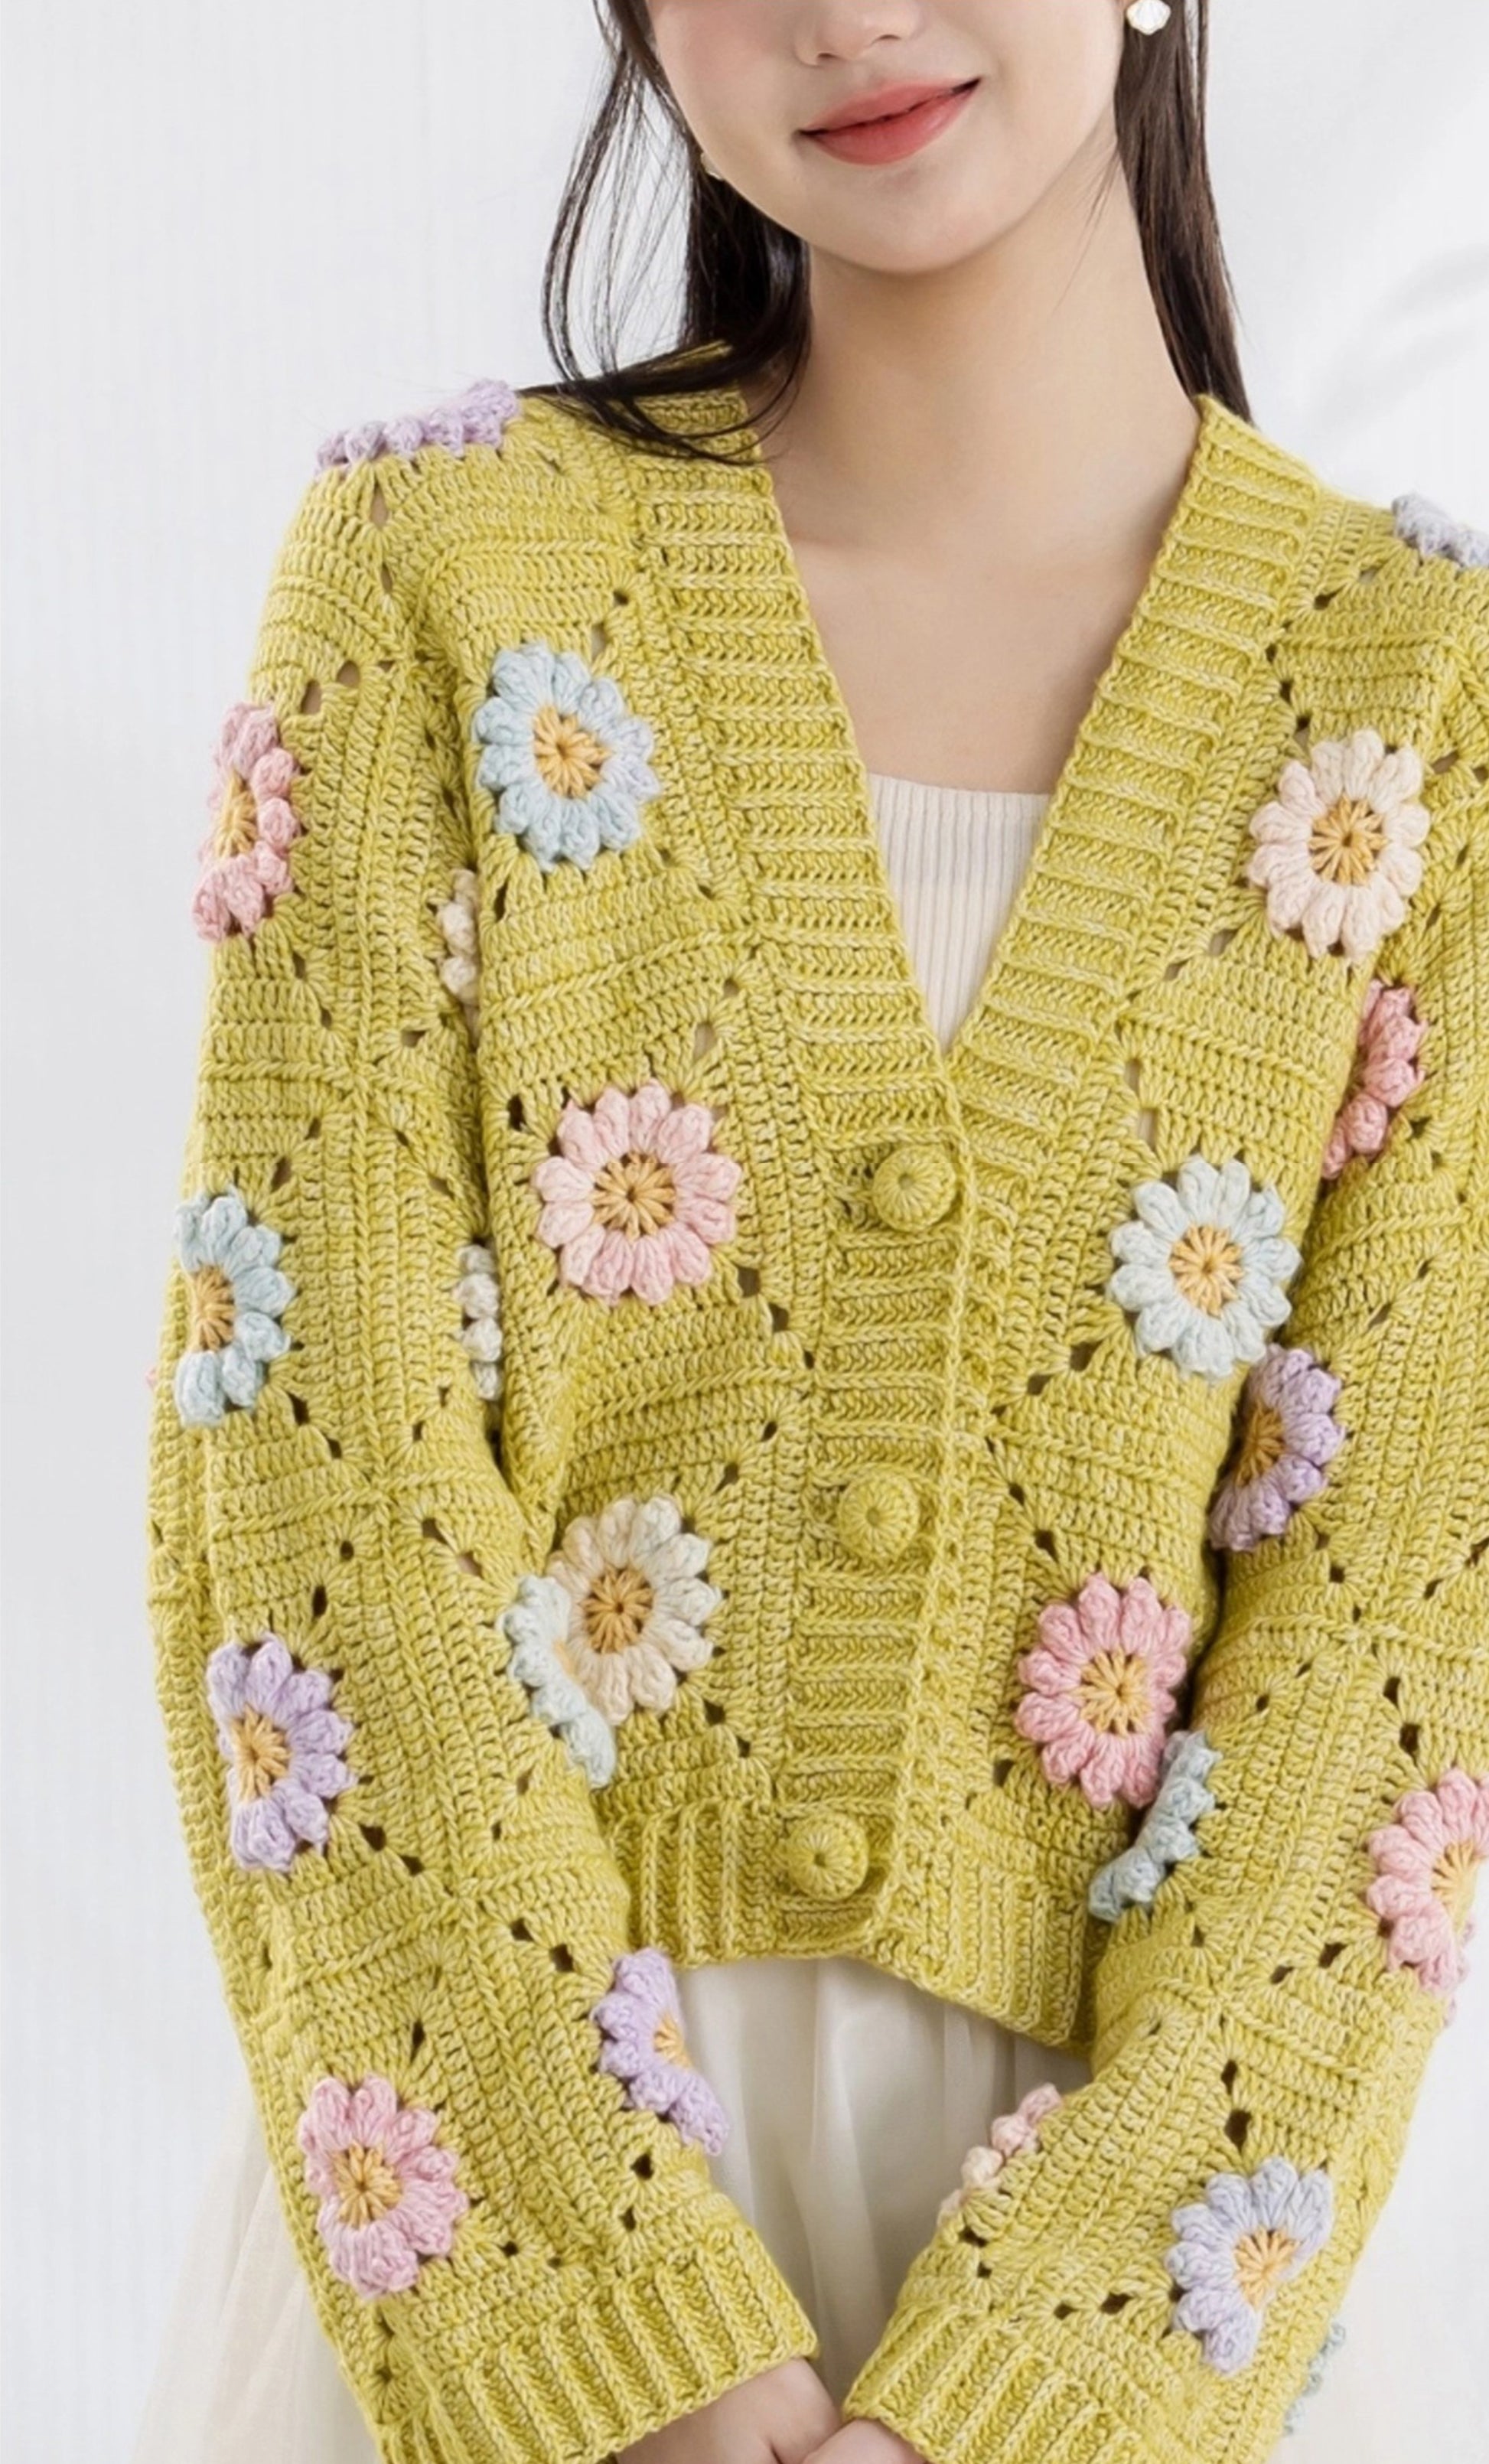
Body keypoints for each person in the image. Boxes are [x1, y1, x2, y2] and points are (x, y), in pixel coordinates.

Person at [135, 6, 1489, 2464]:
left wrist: (1045, 2392)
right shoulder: (439, 577)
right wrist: (609, 2332)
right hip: (490, 2238)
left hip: (1141, 2303)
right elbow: (309, 1501)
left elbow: (1399, 1630)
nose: (847, 15)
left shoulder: (1416, 706)